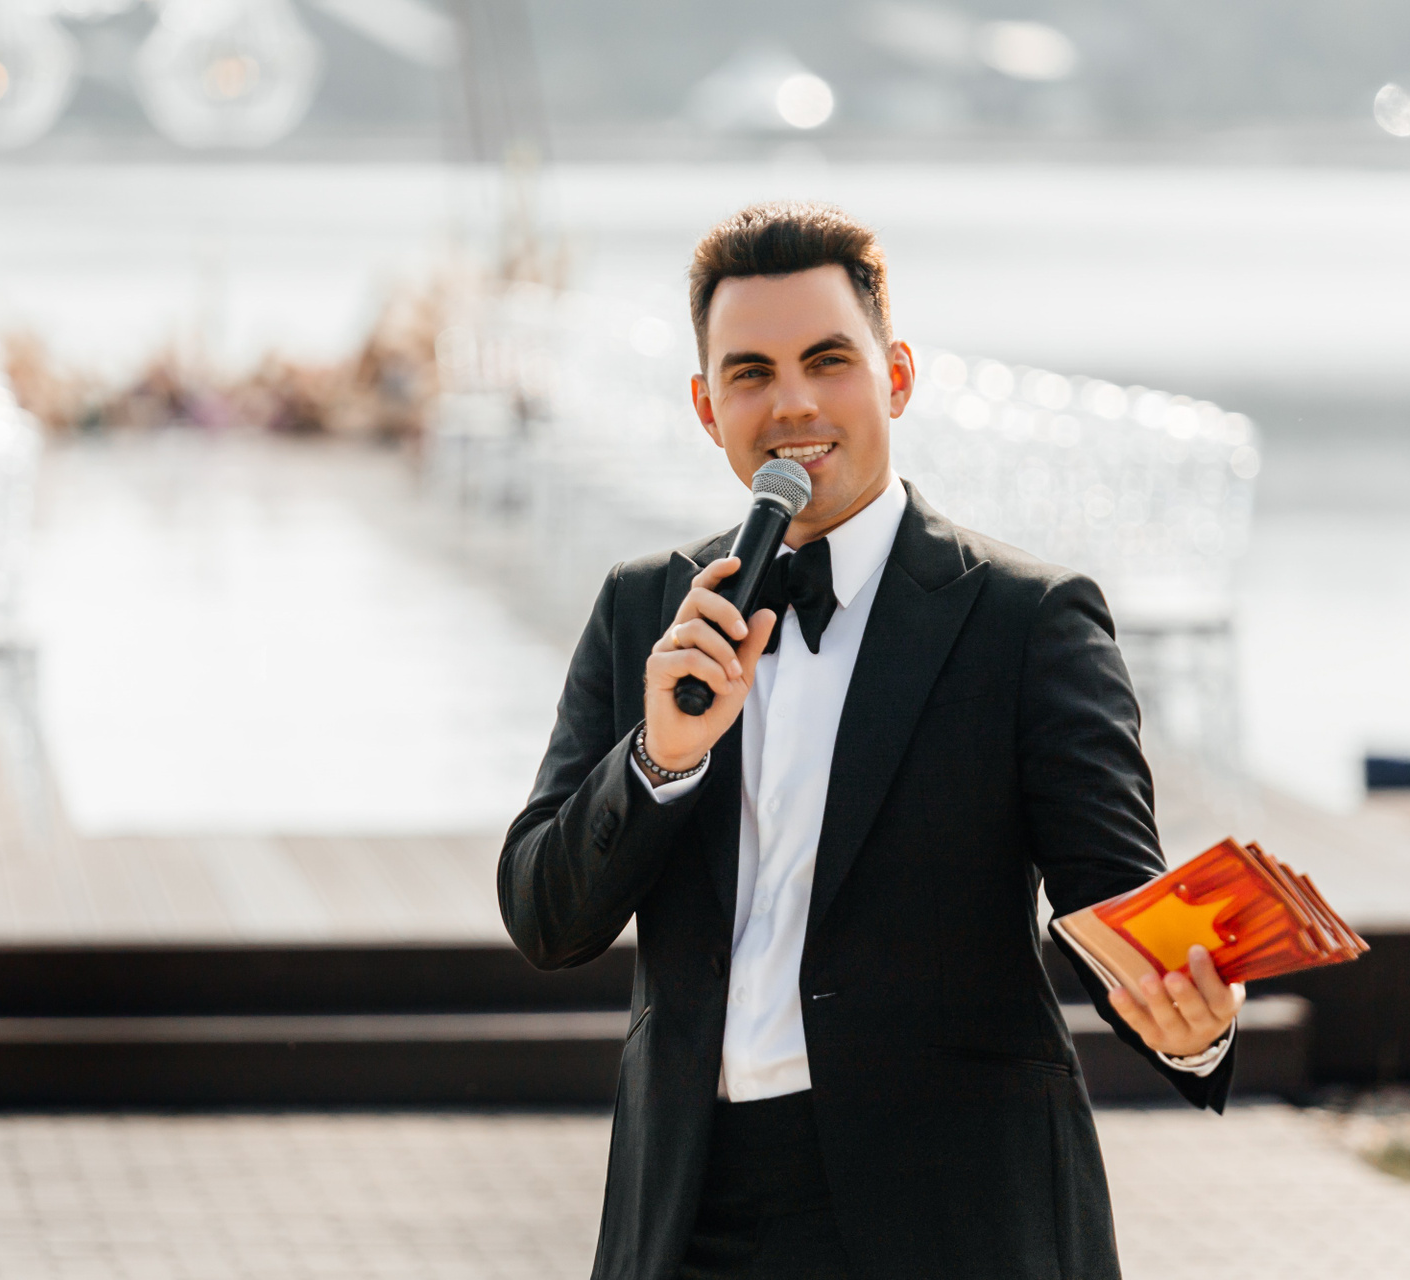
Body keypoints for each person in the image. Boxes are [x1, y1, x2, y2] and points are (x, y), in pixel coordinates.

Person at [499, 202, 1242, 1280]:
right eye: (751, 373)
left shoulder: (1027, 621)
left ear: (896, 376)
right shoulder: (645, 611)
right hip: (689, 1213)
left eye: (828, 360)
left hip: (953, 1218)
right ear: (707, 408)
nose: (793, 403)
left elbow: (1113, 901)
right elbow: (543, 917)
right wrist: (661, 756)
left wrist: (1191, 1024)